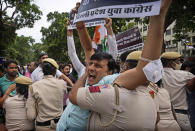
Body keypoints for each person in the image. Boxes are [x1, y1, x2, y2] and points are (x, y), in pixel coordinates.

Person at [68, 0, 173, 130]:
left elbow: (145, 69)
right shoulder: (152, 92)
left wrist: (158, 13)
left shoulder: (111, 89)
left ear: (113, 72)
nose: (91, 68)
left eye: (98, 66)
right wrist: (80, 25)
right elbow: (88, 50)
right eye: (91, 64)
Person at [26, 58, 67, 131]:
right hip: (60, 125)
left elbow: (30, 116)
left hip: (42, 126)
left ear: (42, 70)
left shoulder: (34, 86)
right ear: (55, 71)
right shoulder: (62, 84)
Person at [161, 52, 195, 131]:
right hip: (181, 114)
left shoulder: (156, 75)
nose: (180, 63)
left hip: (163, 115)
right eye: (179, 61)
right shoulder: (185, 75)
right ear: (171, 63)